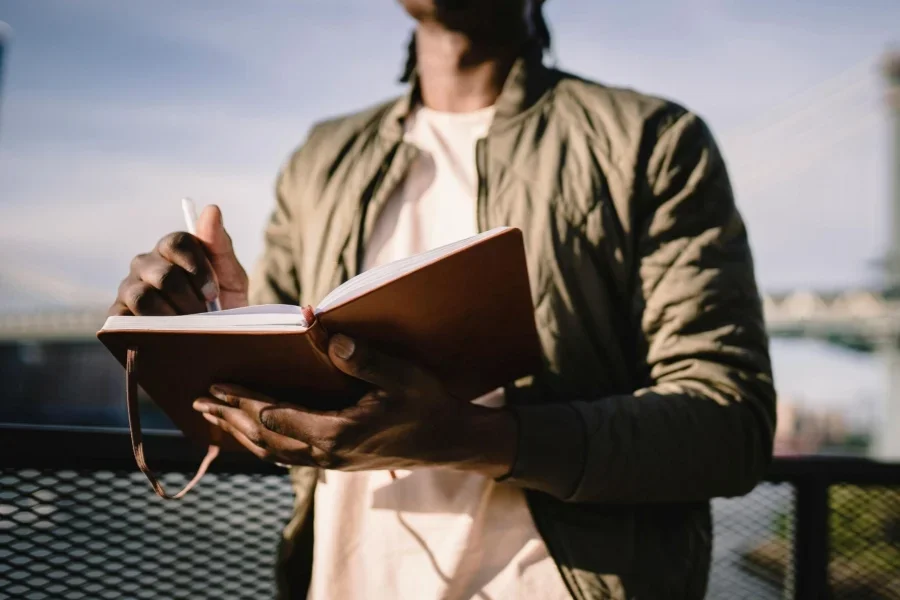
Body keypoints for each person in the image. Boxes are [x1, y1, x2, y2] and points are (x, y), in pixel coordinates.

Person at [110, 0, 776, 598]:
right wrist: (213, 330)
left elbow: (730, 425)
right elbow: (265, 422)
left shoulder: (651, 142)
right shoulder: (320, 159)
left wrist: (466, 438)